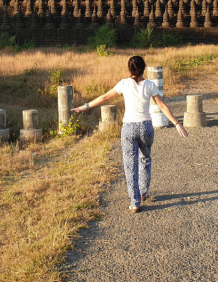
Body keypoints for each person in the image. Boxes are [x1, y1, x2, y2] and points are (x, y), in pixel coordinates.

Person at [72, 55, 188, 213]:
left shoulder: (124, 84)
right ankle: (143, 192)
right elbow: (161, 106)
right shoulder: (150, 85)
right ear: (143, 68)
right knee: (145, 159)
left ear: (129, 69)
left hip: (128, 127)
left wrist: (85, 106)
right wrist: (177, 123)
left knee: (129, 165)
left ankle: (135, 202)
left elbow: (105, 97)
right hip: (146, 126)